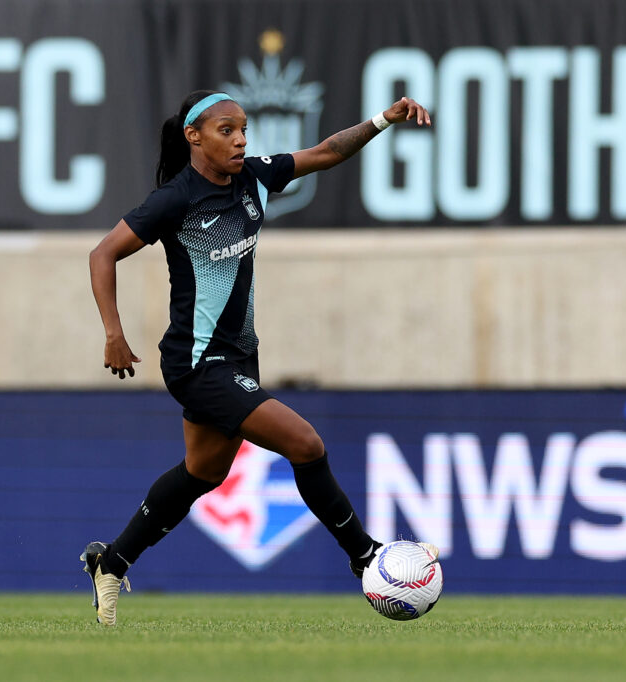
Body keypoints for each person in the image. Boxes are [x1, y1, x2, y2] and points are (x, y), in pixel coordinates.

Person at [82, 89, 433, 625]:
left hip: (241, 357)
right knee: (306, 444)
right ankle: (367, 558)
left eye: (244, 129)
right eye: (227, 130)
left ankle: (112, 560)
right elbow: (103, 253)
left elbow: (328, 151)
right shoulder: (175, 200)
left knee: (203, 472)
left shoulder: (256, 178)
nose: (241, 139)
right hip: (196, 363)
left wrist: (383, 119)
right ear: (193, 137)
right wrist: (113, 331)